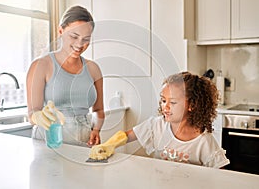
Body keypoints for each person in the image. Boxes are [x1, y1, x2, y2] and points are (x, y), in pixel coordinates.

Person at [89, 71, 230, 168]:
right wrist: (108, 145)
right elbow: (127, 135)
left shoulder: (203, 141)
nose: (165, 107)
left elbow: (220, 171)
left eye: (173, 103)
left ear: (192, 105)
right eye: (163, 100)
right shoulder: (156, 126)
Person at [26, 5, 104, 147]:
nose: (79, 44)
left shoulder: (93, 69)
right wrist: (38, 117)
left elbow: (98, 110)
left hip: (84, 143)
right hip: (49, 143)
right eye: (74, 36)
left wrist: (96, 130)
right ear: (60, 31)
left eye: (86, 39)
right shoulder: (41, 66)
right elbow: (32, 113)